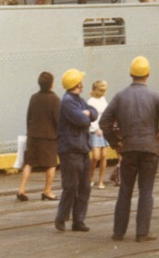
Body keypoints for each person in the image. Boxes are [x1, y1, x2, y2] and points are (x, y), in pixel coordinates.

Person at [100, 56, 159, 243]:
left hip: (128, 149)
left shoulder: (120, 96)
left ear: (130, 74)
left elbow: (104, 122)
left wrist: (115, 142)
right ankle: (142, 233)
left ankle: (118, 232)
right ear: (148, 74)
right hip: (150, 149)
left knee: (125, 190)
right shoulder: (155, 96)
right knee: (146, 191)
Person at [55, 68, 98, 232]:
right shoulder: (67, 101)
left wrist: (87, 113)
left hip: (82, 149)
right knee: (71, 186)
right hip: (70, 150)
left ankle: (78, 220)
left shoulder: (79, 101)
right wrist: (86, 114)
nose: (83, 84)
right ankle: (61, 218)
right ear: (76, 84)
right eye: (81, 81)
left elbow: (93, 113)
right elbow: (81, 120)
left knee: (85, 186)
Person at [17, 71, 60, 202]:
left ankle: (21, 189)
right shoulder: (55, 99)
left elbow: (29, 117)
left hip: (33, 135)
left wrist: (29, 132)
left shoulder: (34, 97)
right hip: (49, 136)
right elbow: (57, 119)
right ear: (51, 84)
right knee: (51, 164)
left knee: (29, 163)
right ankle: (47, 191)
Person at [87, 80, 109, 189]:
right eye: (102, 87)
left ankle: (101, 180)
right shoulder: (91, 101)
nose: (104, 89)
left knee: (104, 156)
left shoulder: (103, 100)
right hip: (94, 130)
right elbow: (89, 117)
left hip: (104, 130)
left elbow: (107, 114)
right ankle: (90, 176)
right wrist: (96, 129)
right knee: (96, 156)